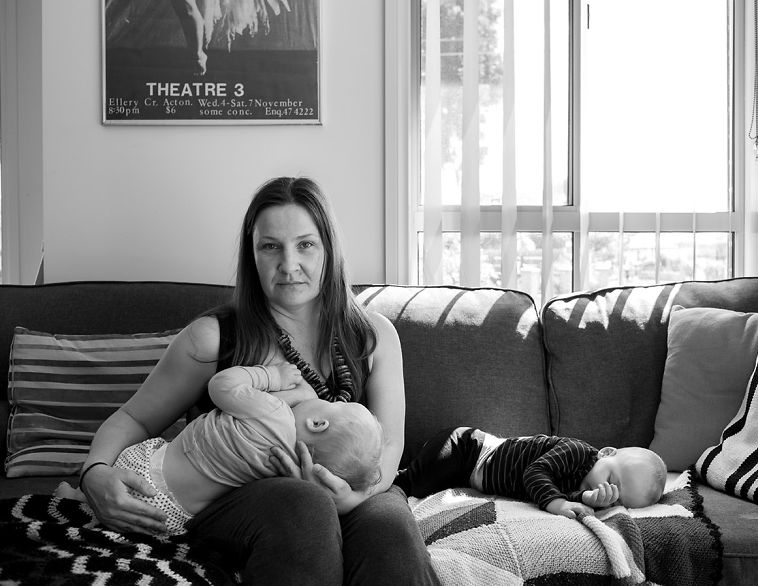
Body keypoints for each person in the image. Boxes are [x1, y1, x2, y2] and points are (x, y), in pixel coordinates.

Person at [77, 177, 439, 585]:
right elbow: (136, 418)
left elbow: (389, 445)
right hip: (241, 504)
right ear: (252, 255)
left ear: (329, 249)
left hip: (360, 491)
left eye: (306, 244)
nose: (289, 264)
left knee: (389, 526)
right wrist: (95, 473)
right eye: (270, 246)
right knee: (306, 504)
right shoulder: (212, 339)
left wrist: (354, 497)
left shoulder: (375, 337)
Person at [60, 363, 385, 536]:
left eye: (332, 404)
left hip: (143, 470)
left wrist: (271, 375)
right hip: (172, 518)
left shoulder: (273, 412)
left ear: (317, 423)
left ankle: (77, 499)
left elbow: (223, 386)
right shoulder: (287, 469)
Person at [394, 427, 667, 520]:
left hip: (467, 477)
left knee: (426, 483)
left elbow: (565, 494)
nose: (606, 492)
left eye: (617, 499)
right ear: (605, 453)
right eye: (610, 481)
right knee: (411, 484)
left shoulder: (588, 486)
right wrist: (557, 504)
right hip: (467, 451)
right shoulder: (576, 451)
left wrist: (586, 499)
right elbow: (535, 473)